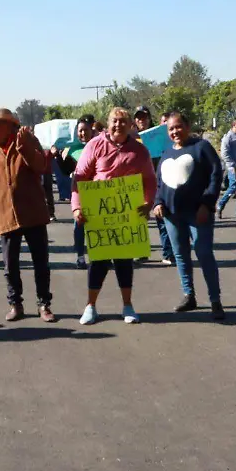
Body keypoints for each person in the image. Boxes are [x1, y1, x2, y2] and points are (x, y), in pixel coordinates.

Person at [72, 107, 157, 325]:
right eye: (114, 121)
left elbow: (149, 180)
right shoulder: (95, 145)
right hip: (98, 215)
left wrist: (148, 203)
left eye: (122, 121)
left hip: (126, 217)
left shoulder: (140, 151)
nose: (118, 125)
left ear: (130, 125)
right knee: (98, 262)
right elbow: (79, 178)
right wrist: (77, 207)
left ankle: (127, 306)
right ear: (107, 124)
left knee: (124, 262)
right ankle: (90, 306)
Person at [0, 108, 55, 322]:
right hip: (5, 214)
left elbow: (41, 167)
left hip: (33, 213)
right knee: (10, 265)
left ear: (10, 125)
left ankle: (44, 304)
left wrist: (25, 147)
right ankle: (15, 304)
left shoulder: (28, 140)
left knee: (41, 263)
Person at [153, 111, 226, 319]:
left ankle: (215, 300)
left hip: (198, 213)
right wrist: (158, 202)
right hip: (171, 215)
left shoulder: (201, 147)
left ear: (187, 125)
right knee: (180, 255)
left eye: (178, 126)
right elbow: (160, 183)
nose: (175, 131)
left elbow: (215, 175)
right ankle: (189, 295)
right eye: (170, 129)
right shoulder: (166, 153)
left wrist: (207, 203)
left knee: (204, 253)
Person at [134, 105, 174, 264]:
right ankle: (141, 252)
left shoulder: (159, 135)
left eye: (144, 117)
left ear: (150, 118)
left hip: (158, 181)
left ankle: (168, 253)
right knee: (139, 219)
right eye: (138, 117)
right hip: (137, 183)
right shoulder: (131, 136)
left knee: (161, 217)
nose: (141, 120)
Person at [55, 114, 96, 269]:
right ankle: (80, 256)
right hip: (79, 192)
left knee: (97, 226)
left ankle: (99, 255)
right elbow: (65, 170)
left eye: (85, 130)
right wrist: (57, 155)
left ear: (91, 131)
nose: (83, 133)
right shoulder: (71, 148)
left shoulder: (100, 145)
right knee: (79, 225)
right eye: (80, 131)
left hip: (97, 191)